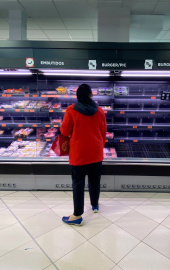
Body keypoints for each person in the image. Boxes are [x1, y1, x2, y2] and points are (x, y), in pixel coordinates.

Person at [60, 84, 107, 226]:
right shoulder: (99, 111)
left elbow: (64, 131)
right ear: (91, 95)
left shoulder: (71, 110)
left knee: (78, 183)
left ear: (77, 97)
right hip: (96, 152)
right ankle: (95, 205)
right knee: (95, 180)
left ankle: (77, 215)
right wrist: (99, 146)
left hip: (79, 153)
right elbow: (103, 132)